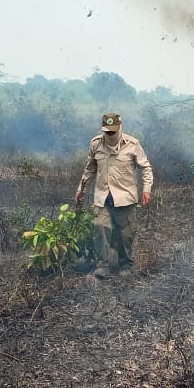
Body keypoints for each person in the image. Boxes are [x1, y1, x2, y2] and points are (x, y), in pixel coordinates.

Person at [74, 112, 154, 278]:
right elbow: (90, 168)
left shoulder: (132, 144)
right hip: (103, 197)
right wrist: (81, 189)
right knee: (100, 227)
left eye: (113, 131)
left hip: (125, 197)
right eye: (107, 131)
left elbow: (145, 168)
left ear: (119, 127)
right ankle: (101, 265)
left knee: (126, 233)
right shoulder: (96, 144)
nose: (110, 134)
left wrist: (146, 189)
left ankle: (126, 265)